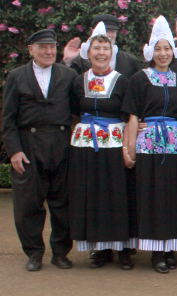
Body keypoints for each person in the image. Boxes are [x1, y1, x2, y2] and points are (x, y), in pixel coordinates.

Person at [2, 28, 77, 271]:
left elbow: (79, 110)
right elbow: (8, 119)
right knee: (28, 205)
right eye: (42, 47)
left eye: (51, 47)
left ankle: (60, 252)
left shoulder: (68, 75)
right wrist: (14, 150)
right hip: (28, 146)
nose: (48, 51)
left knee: (62, 203)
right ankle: (34, 253)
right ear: (31, 49)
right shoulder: (16, 76)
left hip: (61, 145)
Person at [67, 22, 135, 270]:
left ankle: (124, 249)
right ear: (88, 52)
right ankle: (100, 248)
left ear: (112, 52)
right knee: (92, 195)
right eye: (97, 48)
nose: (101, 53)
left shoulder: (122, 81)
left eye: (106, 48)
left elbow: (129, 117)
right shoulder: (78, 82)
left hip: (114, 143)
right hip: (85, 144)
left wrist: (129, 147)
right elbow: (73, 112)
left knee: (118, 194)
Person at [122, 16, 177, 274]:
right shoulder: (139, 79)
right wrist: (130, 150)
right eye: (158, 48)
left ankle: (169, 246)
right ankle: (156, 251)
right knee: (152, 196)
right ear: (151, 51)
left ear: (173, 51)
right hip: (148, 144)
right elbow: (132, 115)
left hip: (173, 145)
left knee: (171, 195)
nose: (163, 53)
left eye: (167, 48)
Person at [62, 14, 140, 78]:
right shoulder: (80, 62)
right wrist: (67, 62)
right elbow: (67, 86)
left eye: (112, 31)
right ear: (92, 31)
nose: (108, 35)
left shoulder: (130, 62)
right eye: (105, 30)